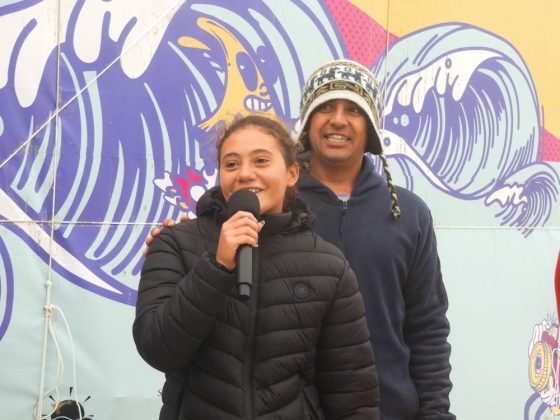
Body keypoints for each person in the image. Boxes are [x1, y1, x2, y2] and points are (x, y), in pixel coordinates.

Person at [146, 60, 454, 419]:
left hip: (387, 408)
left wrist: (435, 412)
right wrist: (186, 249)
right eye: (325, 107)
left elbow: (427, 325)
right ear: (307, 122)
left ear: (370, 127)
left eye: (353, 109)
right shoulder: (267, 202)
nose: (338, 119)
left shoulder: (409, 213)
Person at [133, 114, 380, 420]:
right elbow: (158, 348)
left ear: (291, 173)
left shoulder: (328, 265)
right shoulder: (175, 243)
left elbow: (352, 393)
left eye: (261, 161)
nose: (245, 174)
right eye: (231, 164)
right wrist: (217, 265)